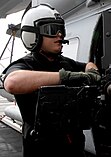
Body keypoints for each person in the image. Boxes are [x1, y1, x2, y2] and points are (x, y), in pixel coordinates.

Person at [2, 3, 101, 157]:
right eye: (52, 30)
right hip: (41, 150)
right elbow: (12, 82)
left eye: (61, 30)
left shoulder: (66, 63)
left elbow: (89, 65)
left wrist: (91, 72)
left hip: (74, 148)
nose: (60, 35)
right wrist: (65, 77)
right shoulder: (25, 64)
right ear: (34, 34)